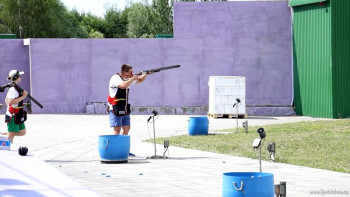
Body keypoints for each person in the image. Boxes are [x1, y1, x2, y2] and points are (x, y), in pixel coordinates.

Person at [107, 64, 150, 136]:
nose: (132, 74)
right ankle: (114, 145)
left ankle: (122, 144)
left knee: (127, 128)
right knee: (117, 129)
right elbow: (123, 86)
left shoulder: (127, 79)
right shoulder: (115, 78)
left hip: (125, 107)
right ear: (125, 72)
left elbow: (140, 80)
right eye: (130, 72)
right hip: (115, 107)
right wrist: (133, 78)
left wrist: (146, 74)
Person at [4, 70, 28, 144]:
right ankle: (7, 148)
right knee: (10, 138)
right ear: (16, 77)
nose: (20, 77)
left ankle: (9, 133)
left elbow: (6, 100)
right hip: (13, 115)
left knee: (23, 132)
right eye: (19, 76)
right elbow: (11, 101)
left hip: (18, 114)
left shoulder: (16, 88)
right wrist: (24, 96)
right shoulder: (12, 89)